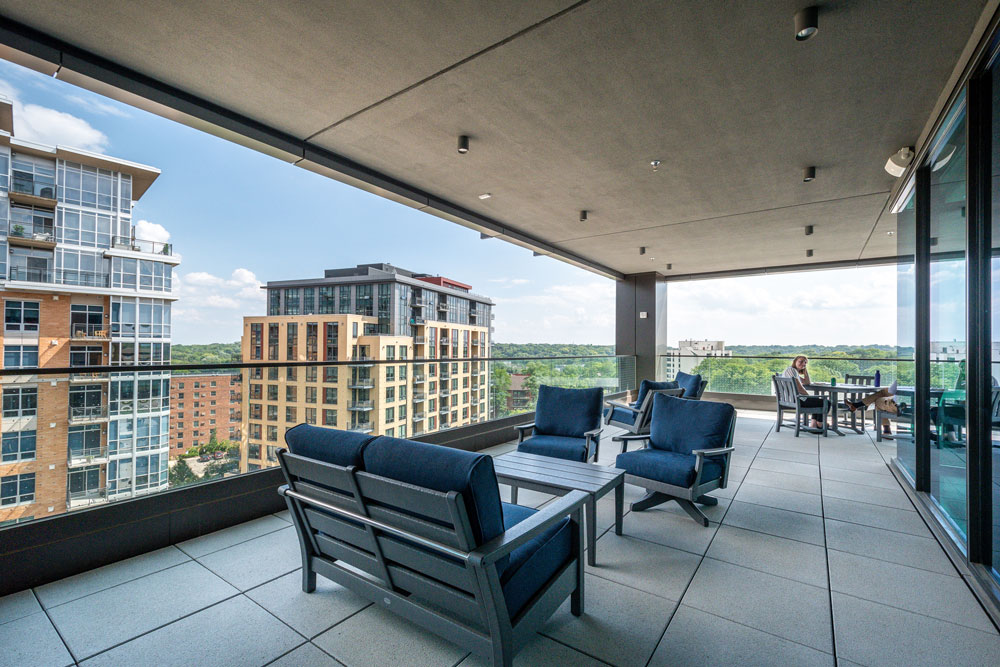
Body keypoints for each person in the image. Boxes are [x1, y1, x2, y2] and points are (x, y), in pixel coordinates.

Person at [782, 355, 829, 430]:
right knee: (826, 402)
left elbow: (807, 382)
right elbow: (799, 388)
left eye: (805, 363)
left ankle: (813, 425)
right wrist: (809, 397)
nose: (803, 364)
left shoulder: (793, 371)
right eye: (800, 361)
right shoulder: (791, 370)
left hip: (793, 399)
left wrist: (804, 370)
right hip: (796, 399)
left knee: (818, 402)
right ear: (795, 362)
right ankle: (820, 423)